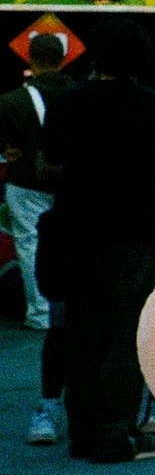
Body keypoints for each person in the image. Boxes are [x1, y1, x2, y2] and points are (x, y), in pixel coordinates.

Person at [43, 18, 155, 464]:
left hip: (75, 230)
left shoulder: (68, 102)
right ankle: (115, 433)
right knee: (126, 333)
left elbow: (52, 166)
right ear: (141, 58)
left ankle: (81, 433)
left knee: (82, 332)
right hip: (133, 233)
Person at [3, 33, 73, 444]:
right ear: (64, 58)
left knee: (29, 243)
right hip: (68, 185)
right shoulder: (79, 94)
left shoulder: (11, 100)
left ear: (31, 58)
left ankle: (39, 309)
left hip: (26, 180)